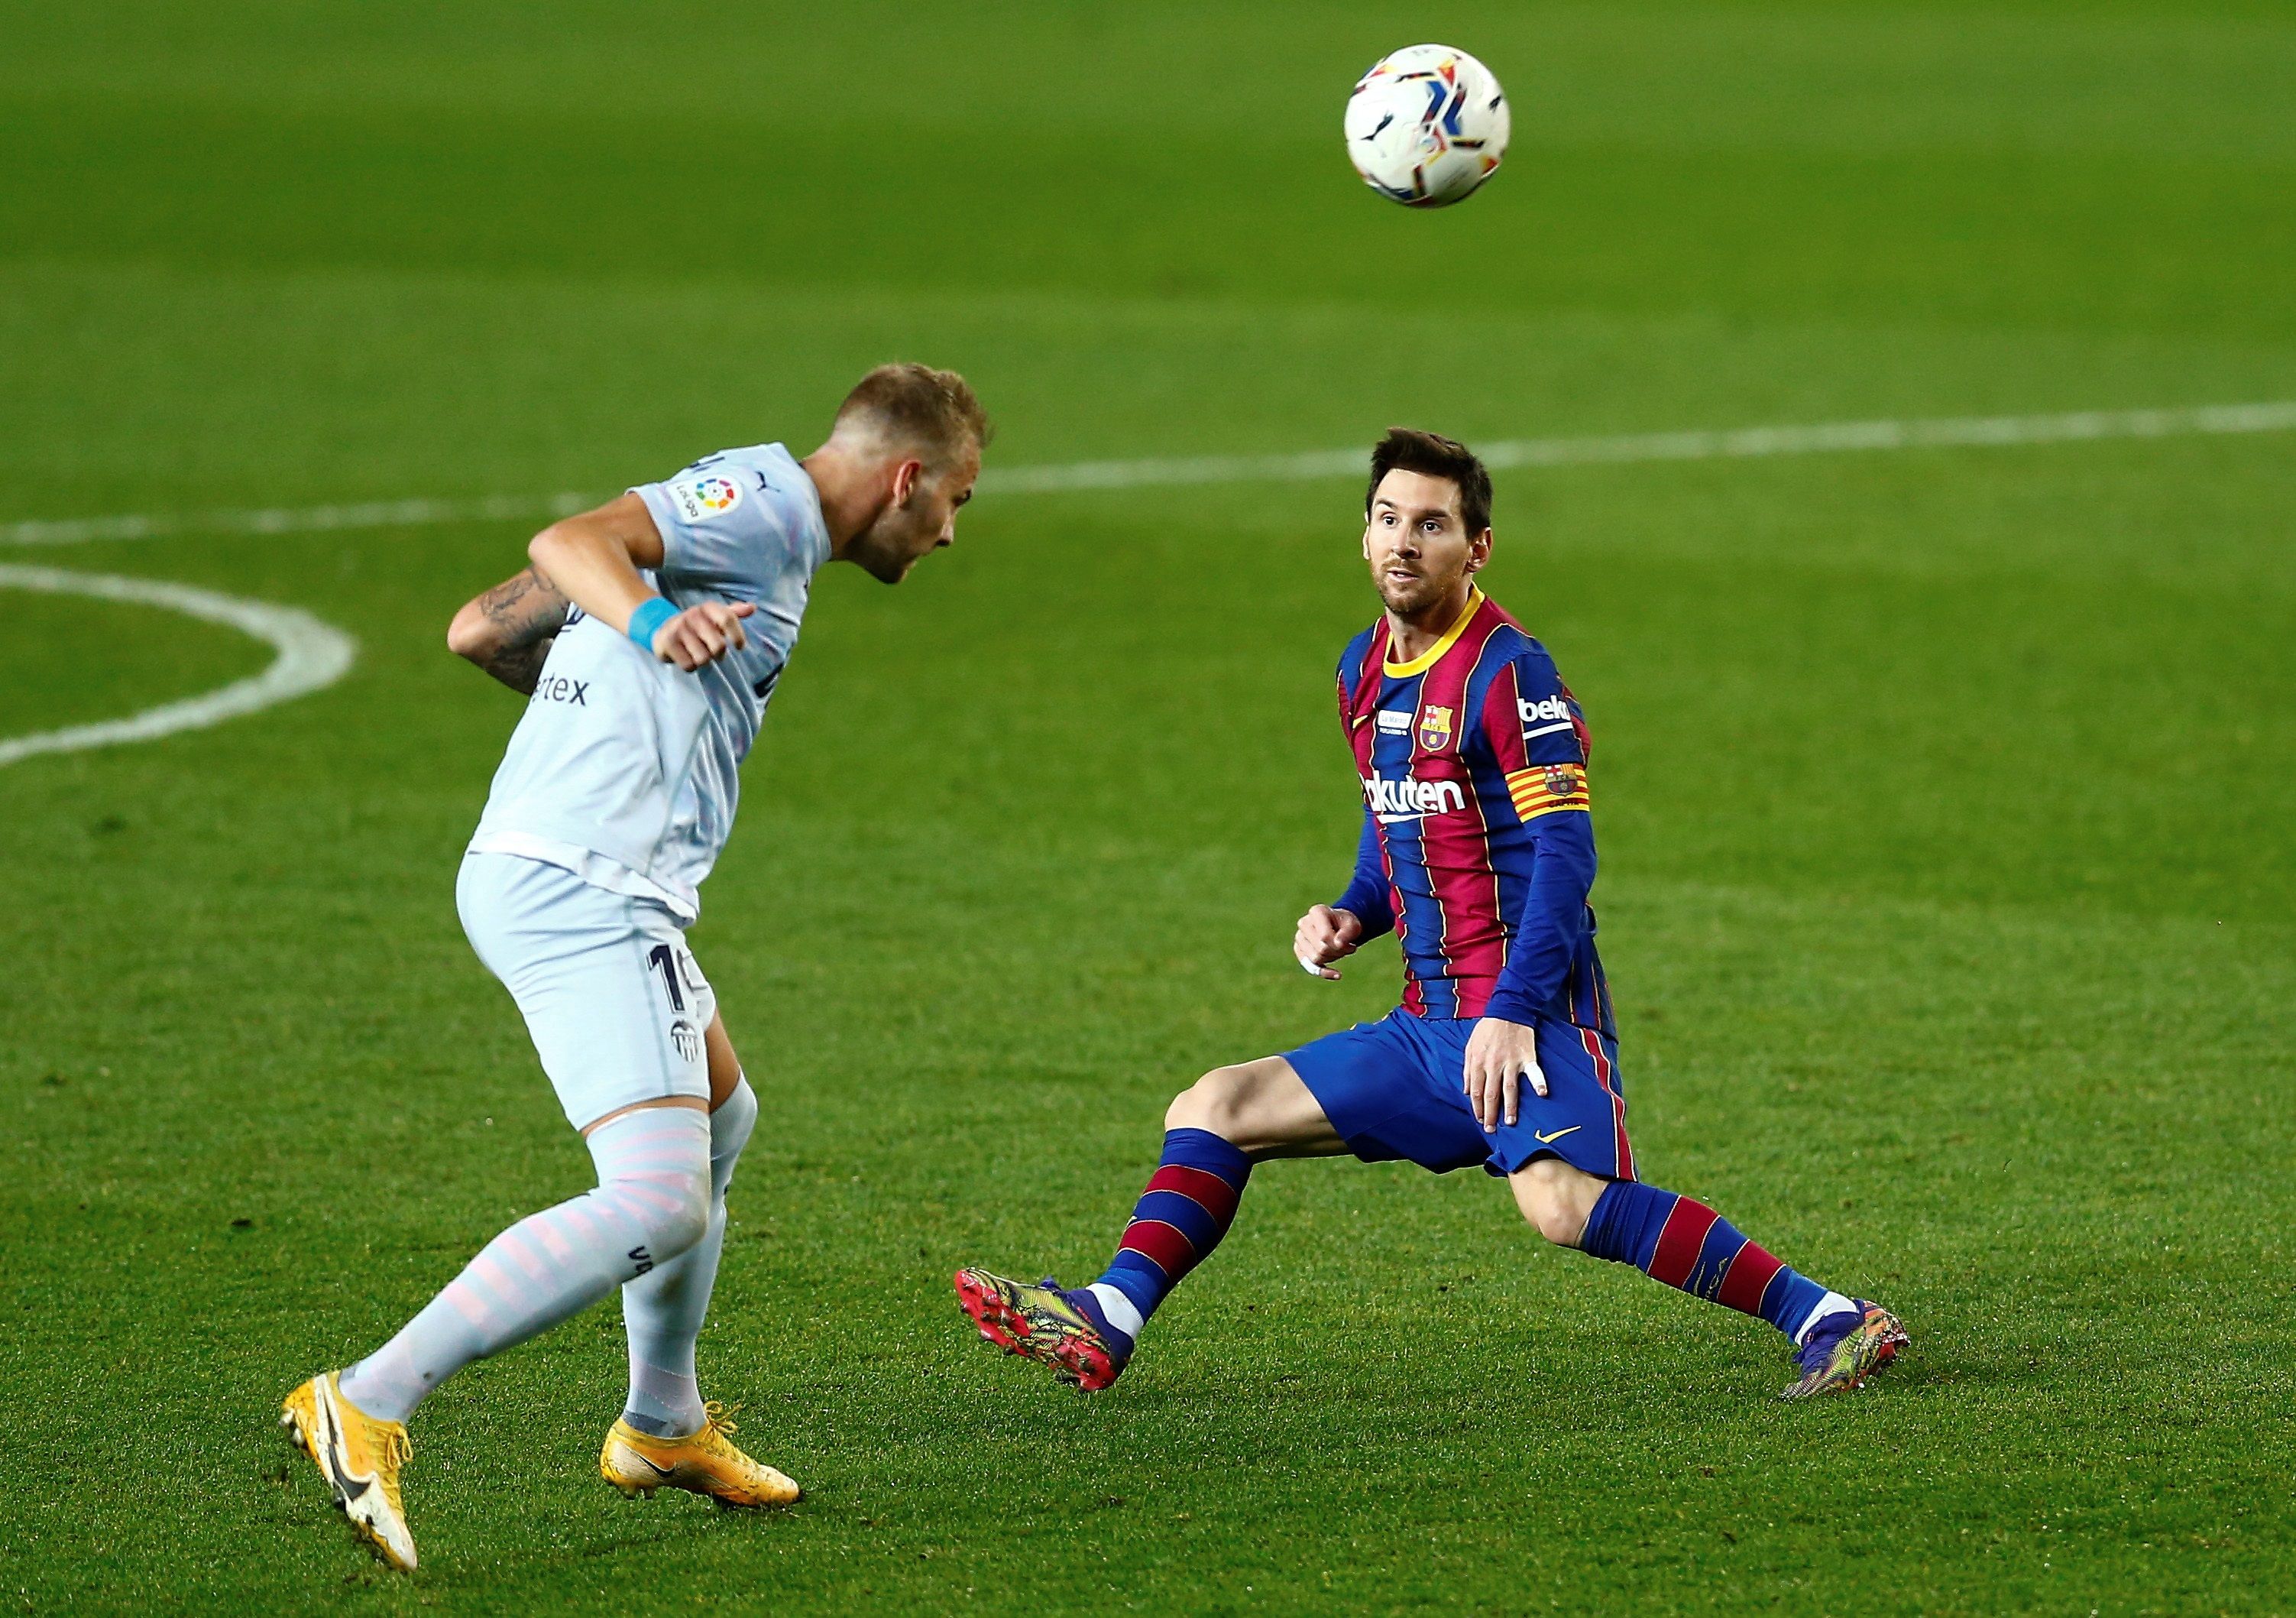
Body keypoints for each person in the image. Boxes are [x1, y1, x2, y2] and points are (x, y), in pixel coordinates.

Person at [955, 427, 1905, 1404]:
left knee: (1561, 1205)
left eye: (1431, 524)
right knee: (1213, 1106)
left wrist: (1511, 1010)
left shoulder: (1510, 671)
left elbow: (1565, 859)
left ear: (1475, 547)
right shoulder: (1361, 668)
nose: (1403, 542)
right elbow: (1393, 817)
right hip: (1427, 1025)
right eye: (1386, 519)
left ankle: (1827, 1314)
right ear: (1362, 537)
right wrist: (1351, 910)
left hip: (1527, 1013)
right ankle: (1108, 1314)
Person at [282, 365, 990, 1571]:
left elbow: (481, 626)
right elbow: (570, 538)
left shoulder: (762, 526)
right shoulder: (765, 503)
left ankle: (661, 1424)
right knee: (659, 1201)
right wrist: (653, 627)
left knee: (721, 1119)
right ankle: (365, 1397)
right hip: (584, 889)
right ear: (906, 477)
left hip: (570, 873)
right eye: (957, 500)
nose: (951, 531)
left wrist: (614, 666)